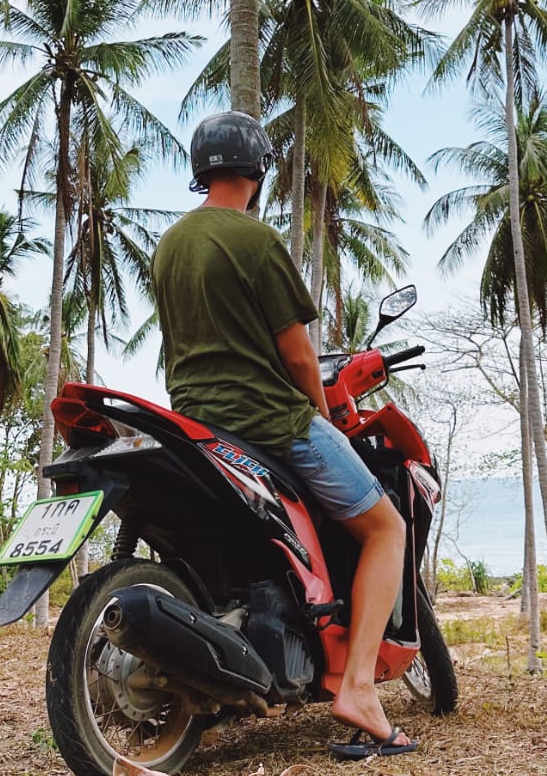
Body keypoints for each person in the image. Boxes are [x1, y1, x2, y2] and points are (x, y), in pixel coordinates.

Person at [151, 111, 416, 758]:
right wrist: (321, 415)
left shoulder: (169, 246)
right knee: (388, 528)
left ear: (201, 170)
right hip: (269, 419)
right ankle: (358, 686)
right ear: (257, 169)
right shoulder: (255, 241)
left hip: (195, 422)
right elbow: (299, 358)